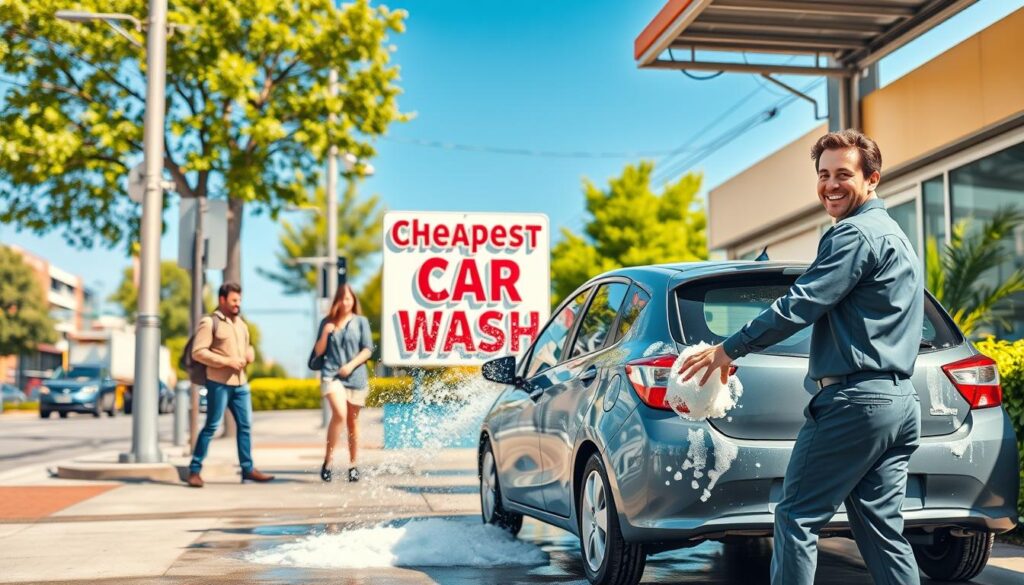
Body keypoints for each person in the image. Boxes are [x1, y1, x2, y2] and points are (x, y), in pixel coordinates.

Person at [677, 129, 924, 585]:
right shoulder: (896, 236)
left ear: (872, 179)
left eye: (844, 174)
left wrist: (728, 348)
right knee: (882, 532)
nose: (831, 185)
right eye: (824, 174)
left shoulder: (853, 235)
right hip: (900, 404)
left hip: (854, 404)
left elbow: (800, 304)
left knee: (795, 517)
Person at [186, 282, 275, 488]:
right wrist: (227, 361)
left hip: (241, 383)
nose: (238, 304)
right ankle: (194, 470)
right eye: (234, 300)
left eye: (240, 300)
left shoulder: (241, 323)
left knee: (245, 426)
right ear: (222, 300)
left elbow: (247, 347)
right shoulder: (209, 322)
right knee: (212, 426)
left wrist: (250, 353)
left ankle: (247, 469)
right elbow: (198, 352)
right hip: (218, 383)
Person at [313, 283, 374, 482]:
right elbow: (318, 352)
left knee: (353, 422)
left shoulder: (361, 322)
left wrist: (351, 365)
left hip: (355, 376)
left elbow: (367, 349)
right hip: (332, 375)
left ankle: (353, 465)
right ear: (337, 301)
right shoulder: (327, 322)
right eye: (342, 298)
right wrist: (326, 333)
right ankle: (328, 461)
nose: (346, 302)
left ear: (353, 301)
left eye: (349, 298)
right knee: (339, 414)